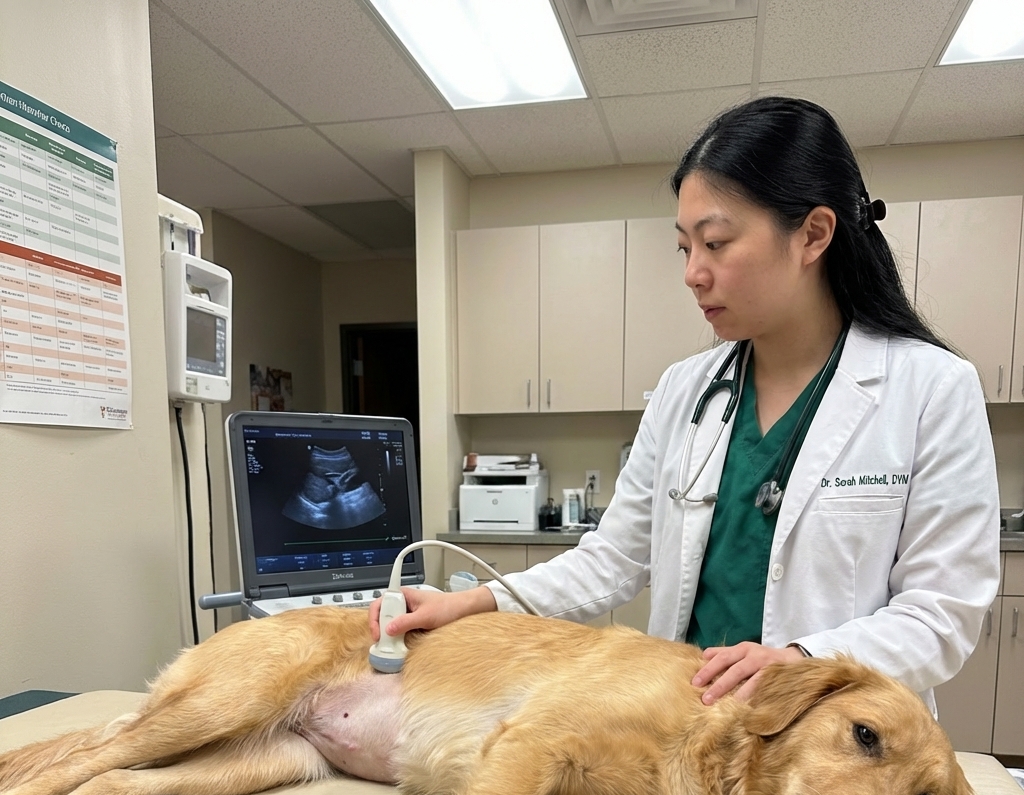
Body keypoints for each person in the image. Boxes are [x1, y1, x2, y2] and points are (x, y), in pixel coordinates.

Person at [370, 96, 1001, 715]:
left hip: (835, 739)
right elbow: (614, 560)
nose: (693, 273)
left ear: (813, 235)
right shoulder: (684, 392)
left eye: (716, 243)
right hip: (690, 725)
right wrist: (475, 602)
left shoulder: (931, 388)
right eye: (684, 247)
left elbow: (940, 613)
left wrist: (806, 660)